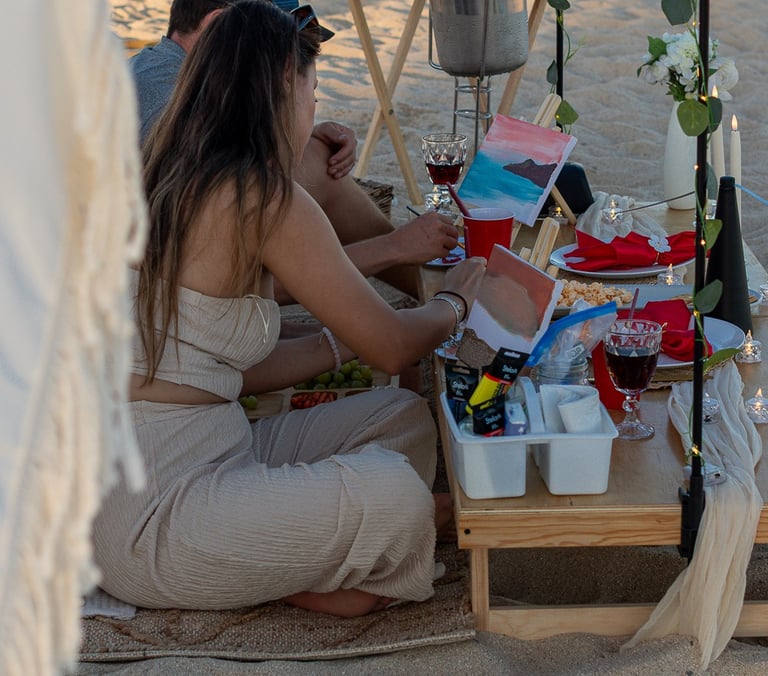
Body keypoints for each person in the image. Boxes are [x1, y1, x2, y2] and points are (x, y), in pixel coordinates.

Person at [92, 0, 486, 618]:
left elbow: (220, 371)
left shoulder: (173, 170)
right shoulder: (264, 197)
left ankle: (290, 563)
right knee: (396, 497)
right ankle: (306, 574)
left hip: (198, 451)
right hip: (155, 514)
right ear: (284, 83)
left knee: (400, 416)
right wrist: (456, 300)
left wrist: (340, 340)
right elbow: (392, 348)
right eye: (314, 91)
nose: (313, 108)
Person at [130, 0, 459, 299]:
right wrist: (390, 248)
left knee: (313, 157)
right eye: (278, 46)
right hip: (161, 296)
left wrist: (302, 134)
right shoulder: (166, 97)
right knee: (314, 166)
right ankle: (441, 290)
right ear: (218, 24)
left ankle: (433, 284)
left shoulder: (168, 75)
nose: (286, 68)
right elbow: (207, 266)